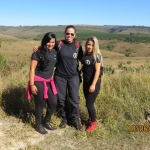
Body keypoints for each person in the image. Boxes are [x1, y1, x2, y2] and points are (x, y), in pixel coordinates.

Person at [33, 25, 83, 131]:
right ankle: (64, 118)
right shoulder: (59, 44)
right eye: (67, 33)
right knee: (61, 99)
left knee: (74, 99)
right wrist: (37, 47)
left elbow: (83, 59)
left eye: (72, 34)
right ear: (64, 33)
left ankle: (75, 119)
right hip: (60, 76)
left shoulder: (78, 46)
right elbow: (47, 45)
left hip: (73, 77)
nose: (69, 35)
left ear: (75, 35)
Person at [26, 32, 58, 134]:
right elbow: (32, 69)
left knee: (53, 103)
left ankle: (46, 121)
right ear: (44, 42)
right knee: (40, 104)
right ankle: (38, 124)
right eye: (48, 42)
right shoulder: (38, 52)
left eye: (52, 42)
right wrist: (32, 85)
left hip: (48, 81)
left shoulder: (55, 52)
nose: (50, 44)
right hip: (38, 80)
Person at [80, 36, 103, 132]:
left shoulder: (96, 56)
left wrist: (93, 84)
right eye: (88, 44)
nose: (90, 47)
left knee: (89, 104)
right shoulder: (85, 55)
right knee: (87, 103)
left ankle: (94, 123)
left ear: (95, 46)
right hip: (85, 83)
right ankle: (90, 120)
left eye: (92, 45)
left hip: (93, 83)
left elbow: (97, 71)